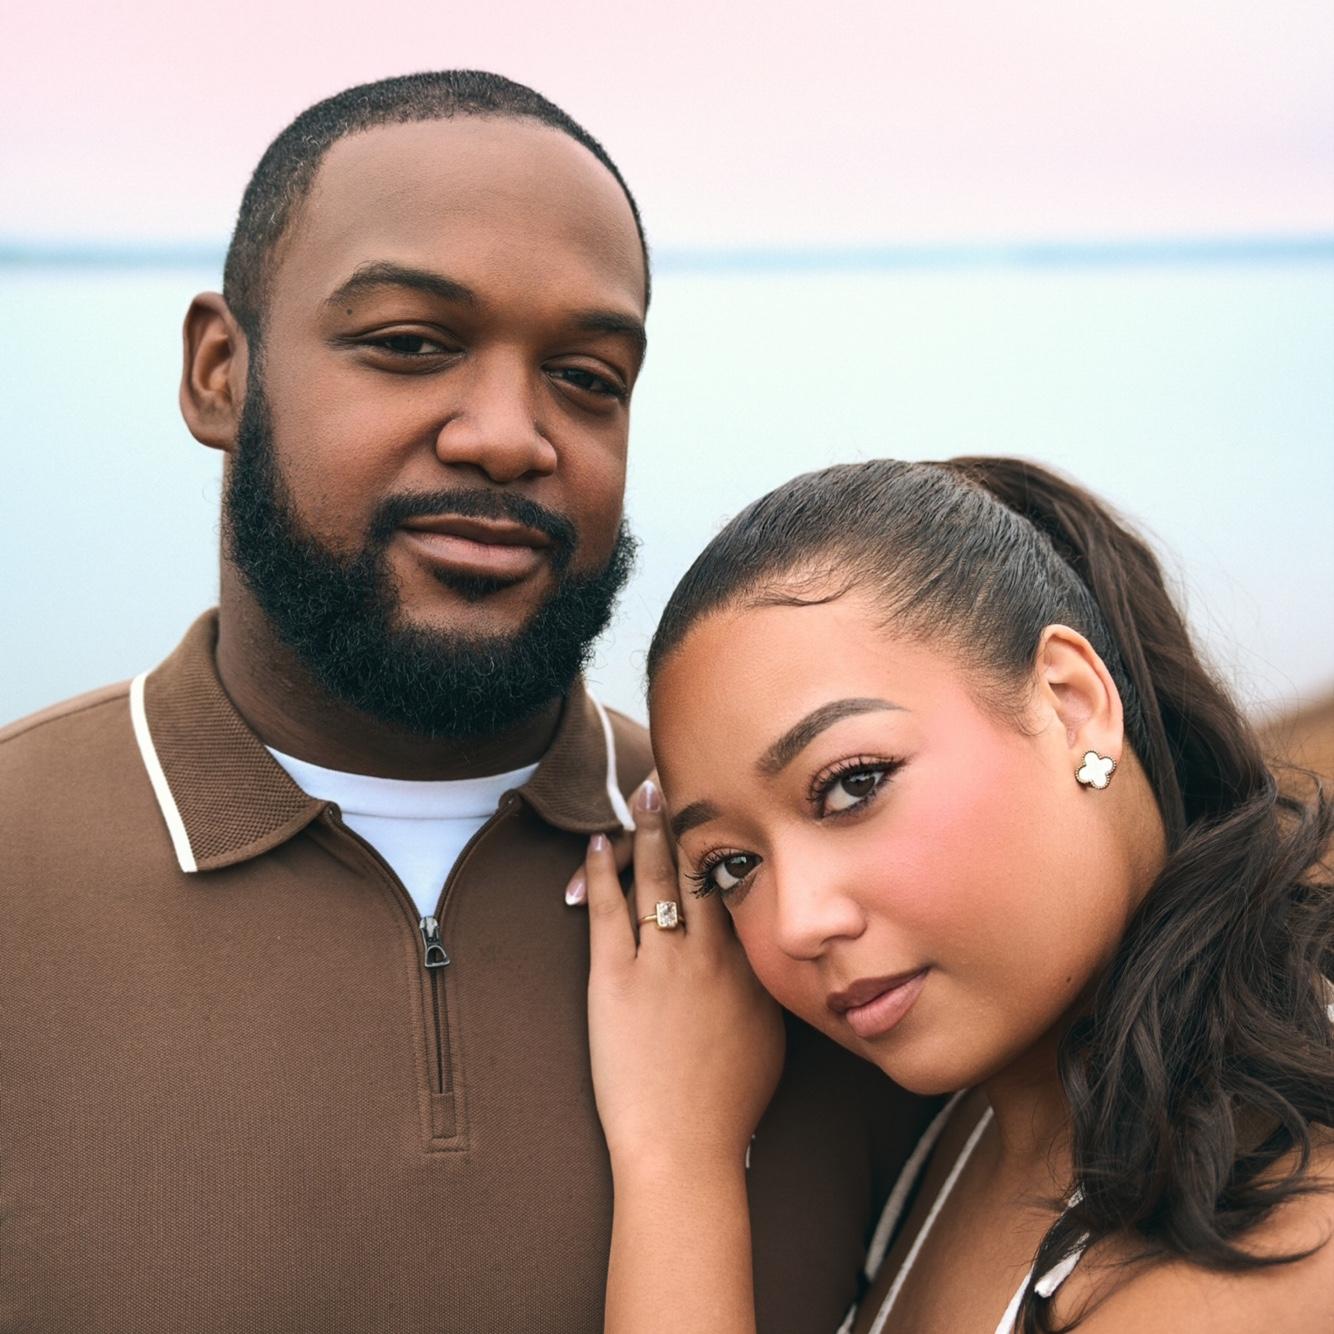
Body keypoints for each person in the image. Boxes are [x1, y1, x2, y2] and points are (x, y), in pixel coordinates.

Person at [0, 73, 930, 1332]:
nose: (507, 435)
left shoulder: (813, 910)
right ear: (220, 371)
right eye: (409, 345)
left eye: (586, 376)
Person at [576, 456, 1334, 1332]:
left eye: (853, 785)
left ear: (1071, 705)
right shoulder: (962, 1124)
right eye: (732, 866)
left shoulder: (1285, 1225)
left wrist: (674, 1161)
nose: (798, 923)